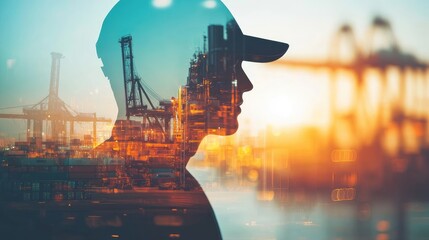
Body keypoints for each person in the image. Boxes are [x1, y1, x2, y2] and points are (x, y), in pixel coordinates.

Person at [96, 0, 288, 239]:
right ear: (180, 76)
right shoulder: (162, 195)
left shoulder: (125, 182)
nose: (247, 84)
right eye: (228, 66)